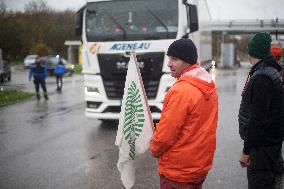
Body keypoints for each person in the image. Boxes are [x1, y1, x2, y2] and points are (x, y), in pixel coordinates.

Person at [150, 38, 218, 189]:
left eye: (174, 59)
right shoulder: (208, 86)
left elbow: (167, 134)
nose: (169, 63)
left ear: (187, 62)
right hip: (198, 166)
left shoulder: (181, 91)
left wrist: (154, 148)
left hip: (178, 170)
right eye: (169, 58)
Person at [238, 32, 284, 189]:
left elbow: (257, 119)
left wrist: (247, 151)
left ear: (252, 52)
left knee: (260, 182)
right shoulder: (271, 71)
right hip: (270, 142)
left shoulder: (262, 78)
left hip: (261, 147)